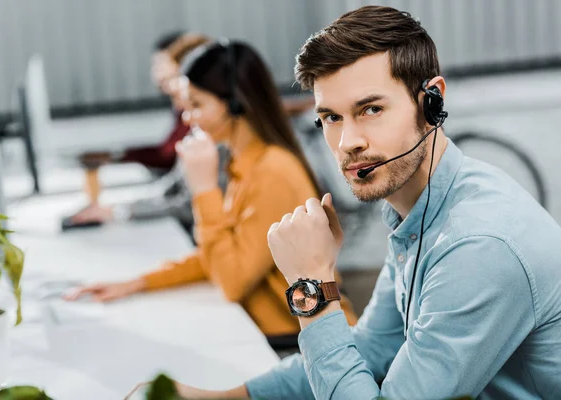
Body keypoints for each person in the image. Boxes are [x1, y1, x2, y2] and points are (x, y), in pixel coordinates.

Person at [167, 6, 561, 399]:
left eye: (370, 109)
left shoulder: (478, 245)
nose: (346, 142)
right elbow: (372, 349)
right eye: (331, 118)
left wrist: (312, 286)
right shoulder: (416, 213)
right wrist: (222, 397)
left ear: (432, 101)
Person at [66, 40, 357, 340]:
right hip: (268, 333)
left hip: (297, 342)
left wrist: (204, 190)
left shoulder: (273, 172)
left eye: (197, 105)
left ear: (234, 104)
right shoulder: (243, 163)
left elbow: (232, 281)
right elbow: (219, 254)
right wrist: (137, 283)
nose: (187, 118)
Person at [62, 31, 209, 230]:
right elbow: (173, 185)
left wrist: (117, 210)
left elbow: (184, 199)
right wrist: (119, 207)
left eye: (166, 70)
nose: (157, 75)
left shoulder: (212, 138)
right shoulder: (197, 126)